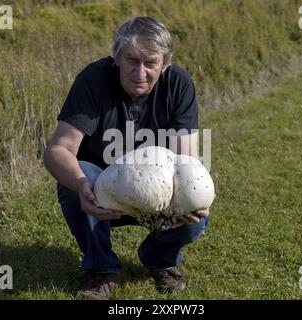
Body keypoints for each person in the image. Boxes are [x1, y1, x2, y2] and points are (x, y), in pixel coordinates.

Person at [43, 16, 210, 300]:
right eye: (131, 60)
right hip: (103, 191)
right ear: (116, 58)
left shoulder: (179, 85)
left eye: (150, 63)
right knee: (76, 177)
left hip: (158, 194)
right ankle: (101, 269)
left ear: (164, 65)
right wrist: (82, 184)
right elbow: (57, 150)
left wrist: (193, 201)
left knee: (196, 201)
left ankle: (159, 258)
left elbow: (187, 161)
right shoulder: (92, 80)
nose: (140, 73)